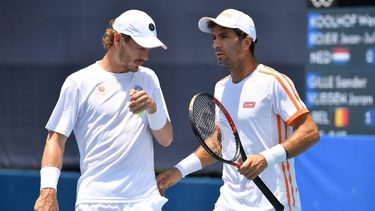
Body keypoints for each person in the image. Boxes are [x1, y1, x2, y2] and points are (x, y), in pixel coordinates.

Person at [156, 8, 319, 211]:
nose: (215, 44)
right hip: (229, 203)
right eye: (214, 37)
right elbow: (220, 142)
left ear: (246, 41)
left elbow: (310, 131)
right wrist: (179, 171)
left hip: (273, 203)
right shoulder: (221, 87)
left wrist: (266, 158)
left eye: (224, 36)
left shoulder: (274, 82)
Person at [34, 9, 173, 211]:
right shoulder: (78, 82)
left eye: (148, 49)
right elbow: (55, 140)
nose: (145, 56)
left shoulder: (149, 79)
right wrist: (47, 191)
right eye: (140, 47)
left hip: (143, 202)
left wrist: (153, 108)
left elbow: (166, 139)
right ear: (118, 39)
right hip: (94, 202)